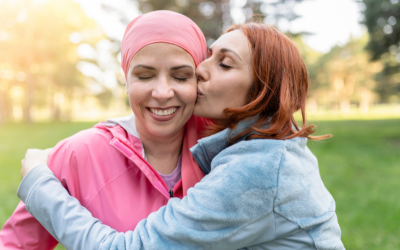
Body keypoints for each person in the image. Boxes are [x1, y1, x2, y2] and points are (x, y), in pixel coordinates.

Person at [17, 22, 345, 250]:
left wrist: (38, 182)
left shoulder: (259, 171)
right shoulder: (267, 149)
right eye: (210, 56)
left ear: (261, 91)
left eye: (225, 65)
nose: (200, 69)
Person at [0, 10, 208, 249]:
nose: (162, 92)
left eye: (180, 77)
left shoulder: (225, 153)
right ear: (126, 80)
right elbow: (15, 244)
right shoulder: (78, 154)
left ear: (199, 81)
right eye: (145, 75)